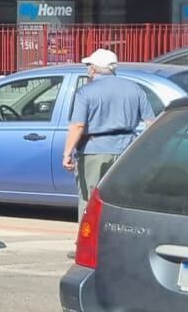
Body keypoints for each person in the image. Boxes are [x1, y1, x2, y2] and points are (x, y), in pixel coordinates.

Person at [64, 48, 158, 216]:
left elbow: (78, 126)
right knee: (123, 199)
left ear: (93, 68)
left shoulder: (85, 92)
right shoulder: (134, 88)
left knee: (91, 201)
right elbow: (151, 122)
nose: (88, 69)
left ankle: (89, 240)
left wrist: (67, 154)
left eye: (88, 65)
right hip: (127, 150)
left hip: (94, 151)